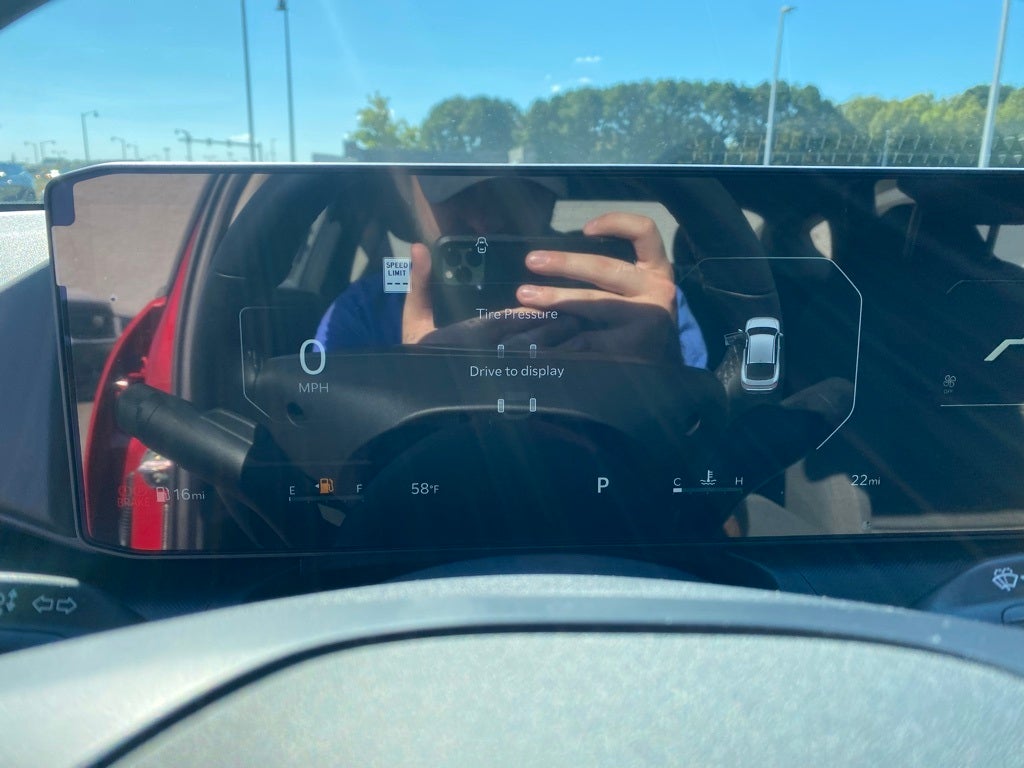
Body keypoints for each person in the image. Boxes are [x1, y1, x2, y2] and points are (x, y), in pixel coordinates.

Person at [316, 175, 707, 368]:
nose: (485, 220)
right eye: (455, 192)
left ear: (554, 190)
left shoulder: (643, 303)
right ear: (404, 185)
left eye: (516, 190)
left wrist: (664, 371)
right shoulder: (366, 309)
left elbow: (706, 471)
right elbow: (324, 471)